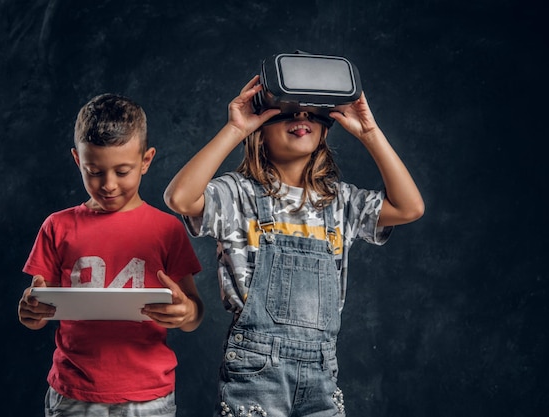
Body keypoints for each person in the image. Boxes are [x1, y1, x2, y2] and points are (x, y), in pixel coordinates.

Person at [164, 72, 424, 416]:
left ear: (325, 126)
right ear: (260, 127)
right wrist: (235, 128)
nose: (302, 118)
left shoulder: (341, 202)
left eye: (311, 112)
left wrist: (371, 134)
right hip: (255, 371)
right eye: (288, 110)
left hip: (322, 373)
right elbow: (180, 198)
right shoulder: (237, 196)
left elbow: (410, 207)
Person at [18, 93, 203, 417]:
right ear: (78, 161)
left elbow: (194, 314)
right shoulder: (57, 227)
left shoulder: (167, 230)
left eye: (122, 171)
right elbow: (37, 312)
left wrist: (185, 312)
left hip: (149, 396)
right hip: (73, 392)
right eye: (94, 171)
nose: (109, 185)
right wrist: (31, 311)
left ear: (146, 161)